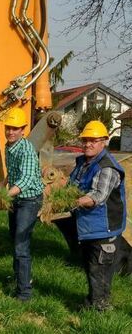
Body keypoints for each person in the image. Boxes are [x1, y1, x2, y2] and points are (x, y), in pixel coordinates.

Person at [69, 120, 126, 311]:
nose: (88, 144)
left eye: (93, 140)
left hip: (104, 230)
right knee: (91, 268)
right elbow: (72, 186)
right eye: (85, 140)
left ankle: (101, 311)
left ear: (104, 141)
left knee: (99, 271)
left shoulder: (107, 167)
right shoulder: (82, 162)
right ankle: (94, 302)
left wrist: (71, 202)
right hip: (88, 227)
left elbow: (98, 196)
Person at [3, 107, 44, 302]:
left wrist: (4, 196)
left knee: (21, 244)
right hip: (16, 199)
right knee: (15, 240)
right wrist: (3, 184)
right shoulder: (9, 145)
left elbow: (26, 178)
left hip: (29, 200)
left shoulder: (27, 149)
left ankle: (25, 293)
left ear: (23, 130)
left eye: (15, 128)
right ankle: (19, 279)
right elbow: (13, 171)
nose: (10, 132)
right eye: (8, 128)